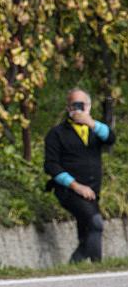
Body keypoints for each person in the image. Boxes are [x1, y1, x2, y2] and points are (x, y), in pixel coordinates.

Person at [44, 87, 116, 263]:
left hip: (92, 190)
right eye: (73, 105)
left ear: (89, 106)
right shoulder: (57, 133)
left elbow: (111, 138)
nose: (77, 109)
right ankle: (95, 264)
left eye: (81, 105)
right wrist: (76, 186)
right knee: (95, 222)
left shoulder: (95, 130)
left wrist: (91, 123)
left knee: (87, 230)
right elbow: (51, 166)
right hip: (69, 190)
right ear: (68, 108)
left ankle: (79, 266)